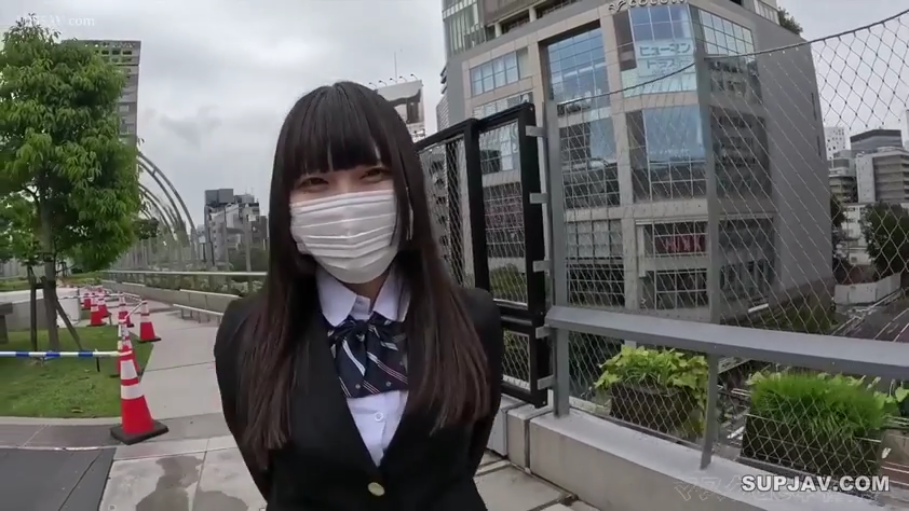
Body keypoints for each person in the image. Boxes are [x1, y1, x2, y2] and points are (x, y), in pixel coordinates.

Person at [214, 81, 503, 510]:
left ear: (408, 185)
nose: (347, 206)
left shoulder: (474, 318)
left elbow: (467, 453)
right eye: (316, 182)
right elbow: (268, 472)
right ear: (286, 205)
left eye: (374, 174)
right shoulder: (246, 334)